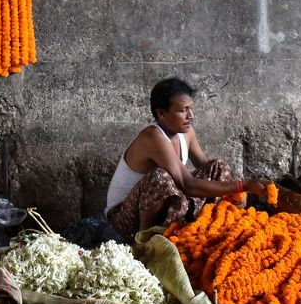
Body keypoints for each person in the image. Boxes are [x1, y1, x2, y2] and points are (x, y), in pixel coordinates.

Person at [104, 78, 271, 240]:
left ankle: (210, 224)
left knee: (218, 166)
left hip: (169, 199)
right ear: (161, 113)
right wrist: (243, 185)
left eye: (191, 109)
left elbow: (208, 169)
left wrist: (236, 194)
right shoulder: (152, 136)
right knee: (160, 177)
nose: (190, 116)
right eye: (183, 110)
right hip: (124, 217)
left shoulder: (187, 132)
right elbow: (187, 184)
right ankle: (144, 242)